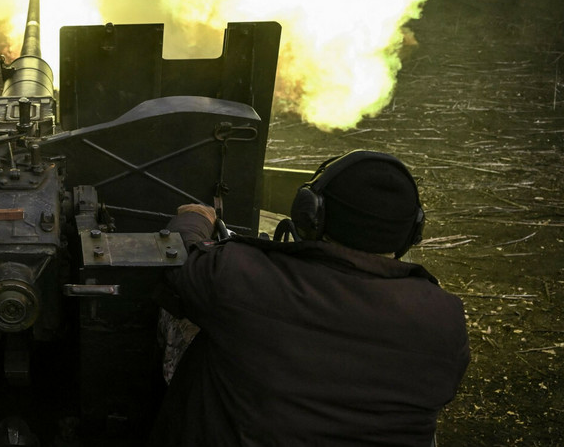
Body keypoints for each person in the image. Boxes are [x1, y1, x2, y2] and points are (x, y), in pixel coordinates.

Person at [154, 150, 470, 446]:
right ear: (412, 232)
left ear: (310, 213)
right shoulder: (446, 317)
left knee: (186, 317)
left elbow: (178, 263)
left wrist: (194, 219)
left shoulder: (243, 277)